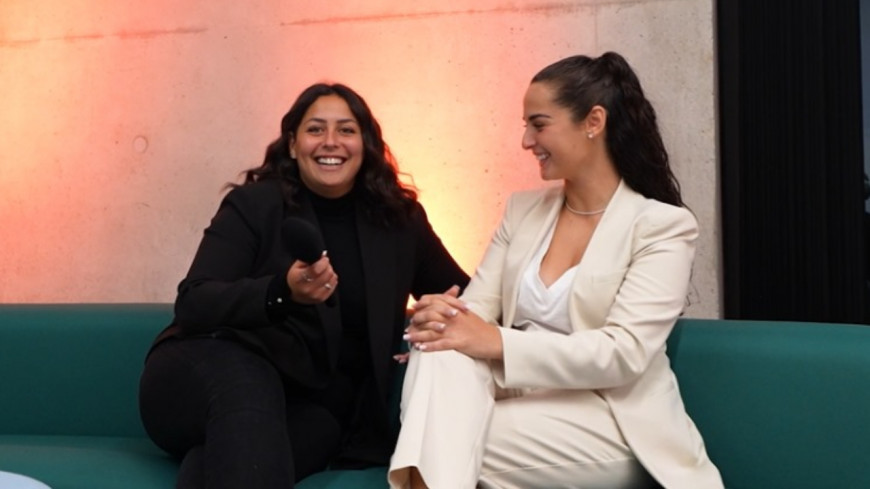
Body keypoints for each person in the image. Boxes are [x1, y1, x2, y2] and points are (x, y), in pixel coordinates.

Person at [389, 52, 724, 489]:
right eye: (526, 125)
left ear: (593, 121)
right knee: (439, 357)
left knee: (440, 441)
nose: (526, 140)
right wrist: (441, 321)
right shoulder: (522, 211)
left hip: (610, 416)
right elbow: (476, 311)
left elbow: (622, 354)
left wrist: (494, 340)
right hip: (521, 395)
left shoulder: (661, 226)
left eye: (539, 124)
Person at [139, 83, 469, 489]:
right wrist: (282, 292)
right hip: (206, 370)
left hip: (313, 406)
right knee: (249, 393)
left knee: (235, 458)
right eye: (315, 129)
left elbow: (468, 297)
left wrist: (439, 315)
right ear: (294, 145)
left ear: (365, 144)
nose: (331, 141)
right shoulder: (255, 205)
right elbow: (194, 302)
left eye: (346, 130)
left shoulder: (400, 221)